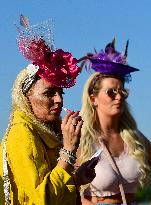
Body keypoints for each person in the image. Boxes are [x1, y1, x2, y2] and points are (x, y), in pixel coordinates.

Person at [0, 17, 98, 205]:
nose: (59, 99)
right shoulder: (23, 134)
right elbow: (40, 201)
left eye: (60, 92)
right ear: (25, 97)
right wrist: (68, 151)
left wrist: (76, 179)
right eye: (49, 93)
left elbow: (52, 192)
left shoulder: (42, 133)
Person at [78, 39, 151, 205]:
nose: (118, 97)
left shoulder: (136, 138)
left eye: (122, 92)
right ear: (93, 98)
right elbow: (68, 189)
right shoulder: (81, 139)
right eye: (111, 92)